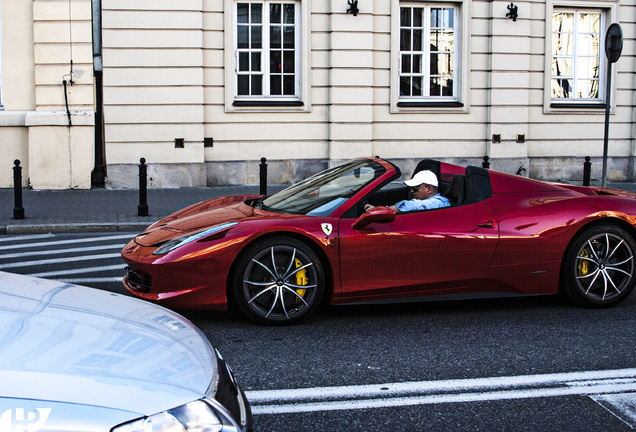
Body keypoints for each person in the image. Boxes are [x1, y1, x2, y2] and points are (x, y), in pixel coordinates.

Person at [364, 170, 450, 213]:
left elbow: (411, 205)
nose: (412, 191)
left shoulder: (440, 203)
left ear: (429, 189)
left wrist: (379, 211)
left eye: (416, 188)